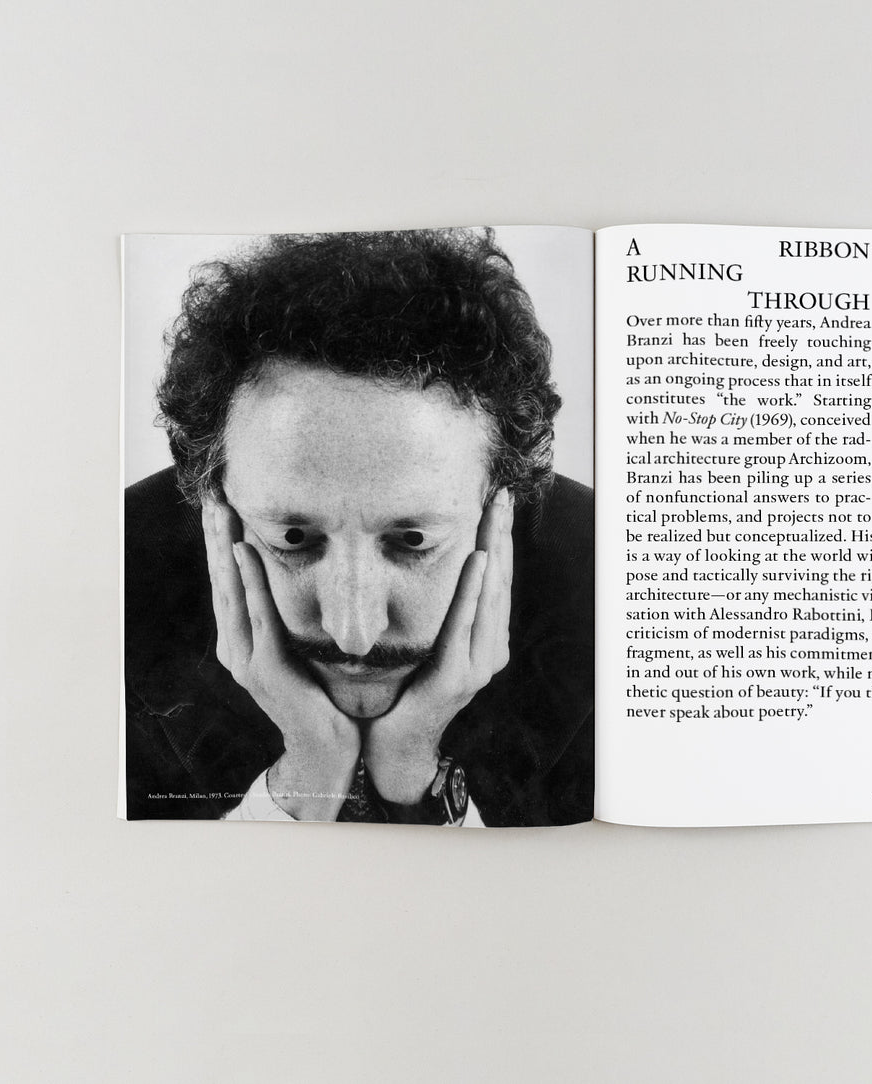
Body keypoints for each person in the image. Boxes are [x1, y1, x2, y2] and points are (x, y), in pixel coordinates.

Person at [124, 229, 593, 825]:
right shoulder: (117, 576)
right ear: (213, 501)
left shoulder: (611, 581)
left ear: (502, 501)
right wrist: (308, 771)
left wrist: (414, 770)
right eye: (292, 538)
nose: (353, 634)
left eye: (413, 541)